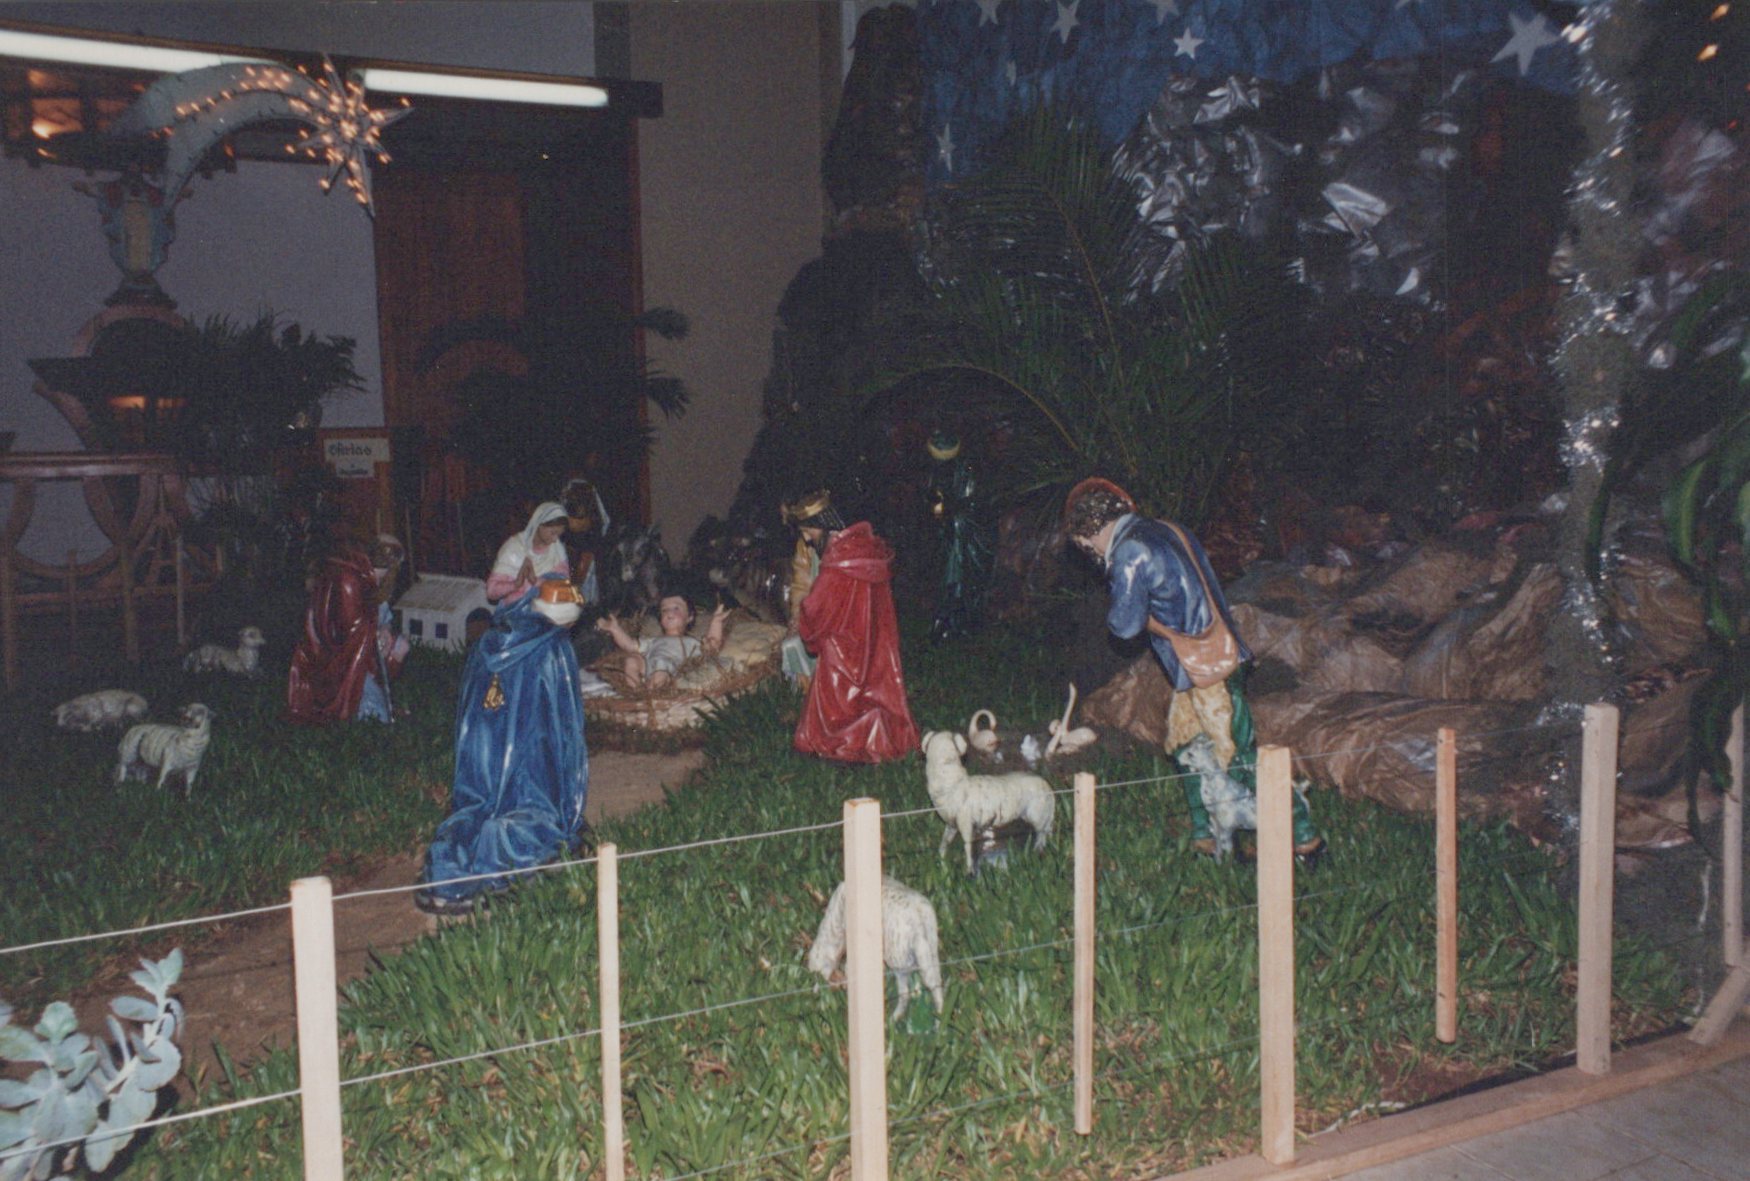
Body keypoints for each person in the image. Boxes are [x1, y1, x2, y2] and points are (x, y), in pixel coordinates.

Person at [1064, 478, 1324, 860]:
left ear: (1089, 531)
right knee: (1186, 744)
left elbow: (1124, 625)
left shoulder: (1129, 550)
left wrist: (1130, 598)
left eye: (1087, 548)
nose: (1093, 555)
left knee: (1236, 754)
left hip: (1208, 667)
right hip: (1200, 661)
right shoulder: (1166, 528)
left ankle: (1304, 837)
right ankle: (1207, 834)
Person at [416, 575, 591, 916]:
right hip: (531, 756)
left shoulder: (490, 640)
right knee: (530, 811)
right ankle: (503, 846)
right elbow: (565, 721)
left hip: (484, 754)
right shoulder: (553, 646)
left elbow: (471, 706)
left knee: (476, 813)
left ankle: (459, 856)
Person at [790, 490, 920, 763]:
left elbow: (815, 609)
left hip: (841, 648)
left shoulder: (836, 563)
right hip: (874, 642)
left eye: (808, 531)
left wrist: (805, 621)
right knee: (870, 693)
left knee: (835, 709)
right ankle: (877, 731)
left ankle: (847, 740)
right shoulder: (866, 550)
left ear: (821, 525)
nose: (807, 539)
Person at [287, 534, 410, 724]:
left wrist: (384, 629)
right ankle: (361, 705)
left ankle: (379, 698)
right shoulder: (349, 579)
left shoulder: (375, 582)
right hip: (341, 657)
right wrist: (374, 635)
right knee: (376, 714)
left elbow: (382, 614)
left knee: (400, 646)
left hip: (365, 650)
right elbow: (349, 628)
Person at [924, 428, 993, 643]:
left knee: (958, 578)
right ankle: (944, 621)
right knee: (945, 575)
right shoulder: (938, 470)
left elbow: (970, 503)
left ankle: (955, 623)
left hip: (963, 535)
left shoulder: (967, 470)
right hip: (948, 533)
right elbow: (933, 495)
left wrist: (947, 511)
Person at [596, 593, 731, 691]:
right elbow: (630, 645)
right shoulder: (653, 641)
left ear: (689, 617)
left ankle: (651, 695)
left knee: (662, 665)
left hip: (672, 671)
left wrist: (716, 622)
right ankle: (634, 692)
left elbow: (712, 646)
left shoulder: (691, 642)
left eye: (676, 608)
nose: (669, 613)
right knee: (631, 659)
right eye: (664, 610)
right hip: (648, 667)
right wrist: (615, 629)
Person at [487, 502, 571, 604]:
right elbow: (491, 591)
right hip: (515, 609)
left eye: (559, 534)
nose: (555, 539)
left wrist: (535, 581)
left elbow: (564, 588)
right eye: (553, 533)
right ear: (539, 524)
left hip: (548, 608)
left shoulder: (556, 549)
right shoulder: (514, 548)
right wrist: (516, 584)